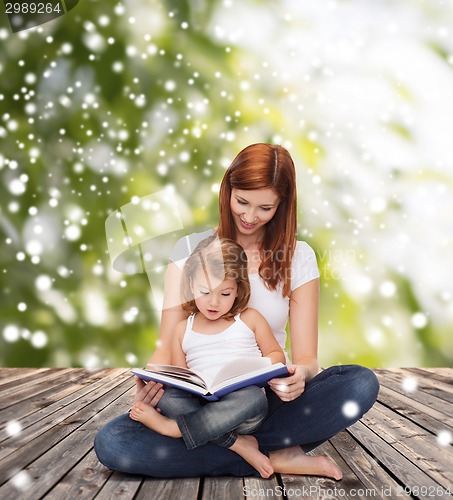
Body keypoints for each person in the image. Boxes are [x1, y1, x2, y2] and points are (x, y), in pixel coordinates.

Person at [94, 143, 379, 479]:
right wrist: (152, 383)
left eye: (265, 207)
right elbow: (169, 347)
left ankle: (222, 445)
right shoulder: (189, 251)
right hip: (196, 399)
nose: (248, 216)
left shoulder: (298, 257)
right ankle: (269, 451)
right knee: (112, 441)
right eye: (242, 201)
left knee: (359, 383)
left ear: (283, 206)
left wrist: (297, 378)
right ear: (227, 189)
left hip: (264, 398)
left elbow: (307, 360)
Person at [130, 235, 286, 478]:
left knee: (254, 397)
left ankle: (173, 429)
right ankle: (236, 444)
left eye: (225, 294)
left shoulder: (250, 319)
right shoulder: (182, 329)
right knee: (168, 397)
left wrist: (260, 367)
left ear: (238, 290)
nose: (214, 302)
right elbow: (181, 380)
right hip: (201, 408)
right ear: (191, 285)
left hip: (242, 409)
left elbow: (277, 355)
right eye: (205, 292)